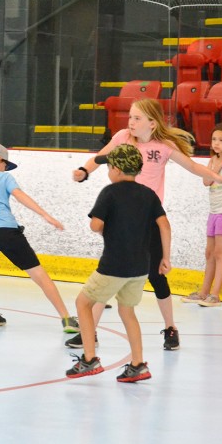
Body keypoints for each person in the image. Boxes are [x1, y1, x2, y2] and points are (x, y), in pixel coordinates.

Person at [70, 98, 222, 351]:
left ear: (152, 123)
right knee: (110, 273)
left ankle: (170, 328)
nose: (131, 122)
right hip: (122, 220)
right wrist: (84, 171)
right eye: (130, 117)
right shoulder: (122, 137)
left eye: (137, 118)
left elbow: (192, 166)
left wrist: (216, 177)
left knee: (157, 277)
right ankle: (91, 332)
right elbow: (99, 157)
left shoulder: (163, 146)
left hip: (148, 219)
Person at [66, 144, 170, 382]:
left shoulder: (110, 193)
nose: (108, 171)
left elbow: (96, 225)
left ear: (117, 169)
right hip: (141, 267)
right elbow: (164, 225)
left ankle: (89, 359)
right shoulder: (148, 194)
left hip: (113, 265)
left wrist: (105, 228)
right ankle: (138, 364)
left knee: (83, 303)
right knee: (127, 311)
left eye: (109, 166)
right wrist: (165, 257)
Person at [0, 142, 80, 333]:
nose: (5, 168)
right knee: (37, 272)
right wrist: (45, 215)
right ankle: (66, 318)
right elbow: (20, 196)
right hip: (7, 231)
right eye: (5, 164)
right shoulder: (4, 177)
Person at [181, 123, 222, 307]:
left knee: (220, 252)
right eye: (214, 139)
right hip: (214, 212)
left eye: (221, 140)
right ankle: (203, 292)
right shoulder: (213, 161)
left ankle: (215, 295)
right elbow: (206, 181)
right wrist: (218, 165)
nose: (216, 143)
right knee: (209, 252)